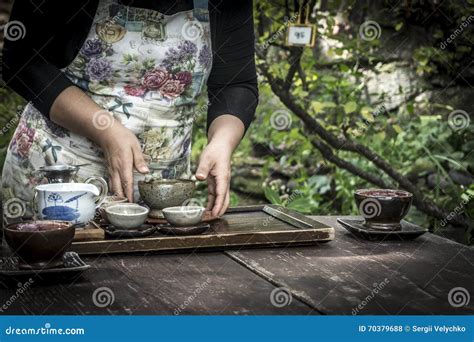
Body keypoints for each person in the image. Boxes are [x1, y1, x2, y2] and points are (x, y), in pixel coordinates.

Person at [1, 0, 258, 219]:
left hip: (160, 200)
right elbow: (23, 60)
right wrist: (105, 128)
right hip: (58, 180)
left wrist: (223, 142)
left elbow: (236, 83)